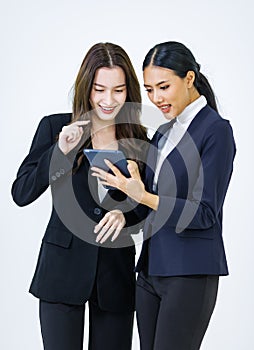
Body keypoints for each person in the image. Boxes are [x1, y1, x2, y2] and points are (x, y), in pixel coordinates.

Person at [91, 41, 236, 350]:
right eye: (149, 90)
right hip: (150, 269)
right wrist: (123, 209)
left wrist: (142, 196)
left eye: (164, 87)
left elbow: (205, 213)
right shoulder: (164, 133)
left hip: (189, 270)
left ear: (189, 79)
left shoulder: (216, 131)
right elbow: (146, 198)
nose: (156, 98)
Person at [11, 42, 148, 350]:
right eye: (100, 89)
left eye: (118, 90)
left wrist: (125, 214)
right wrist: (58, 151)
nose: (108, 100)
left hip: (115, 276)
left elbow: (146, 206)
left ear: (129, 92)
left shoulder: (138, 139)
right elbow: (21, 193)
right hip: (61, 272)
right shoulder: (54, 127)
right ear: (87, 88)